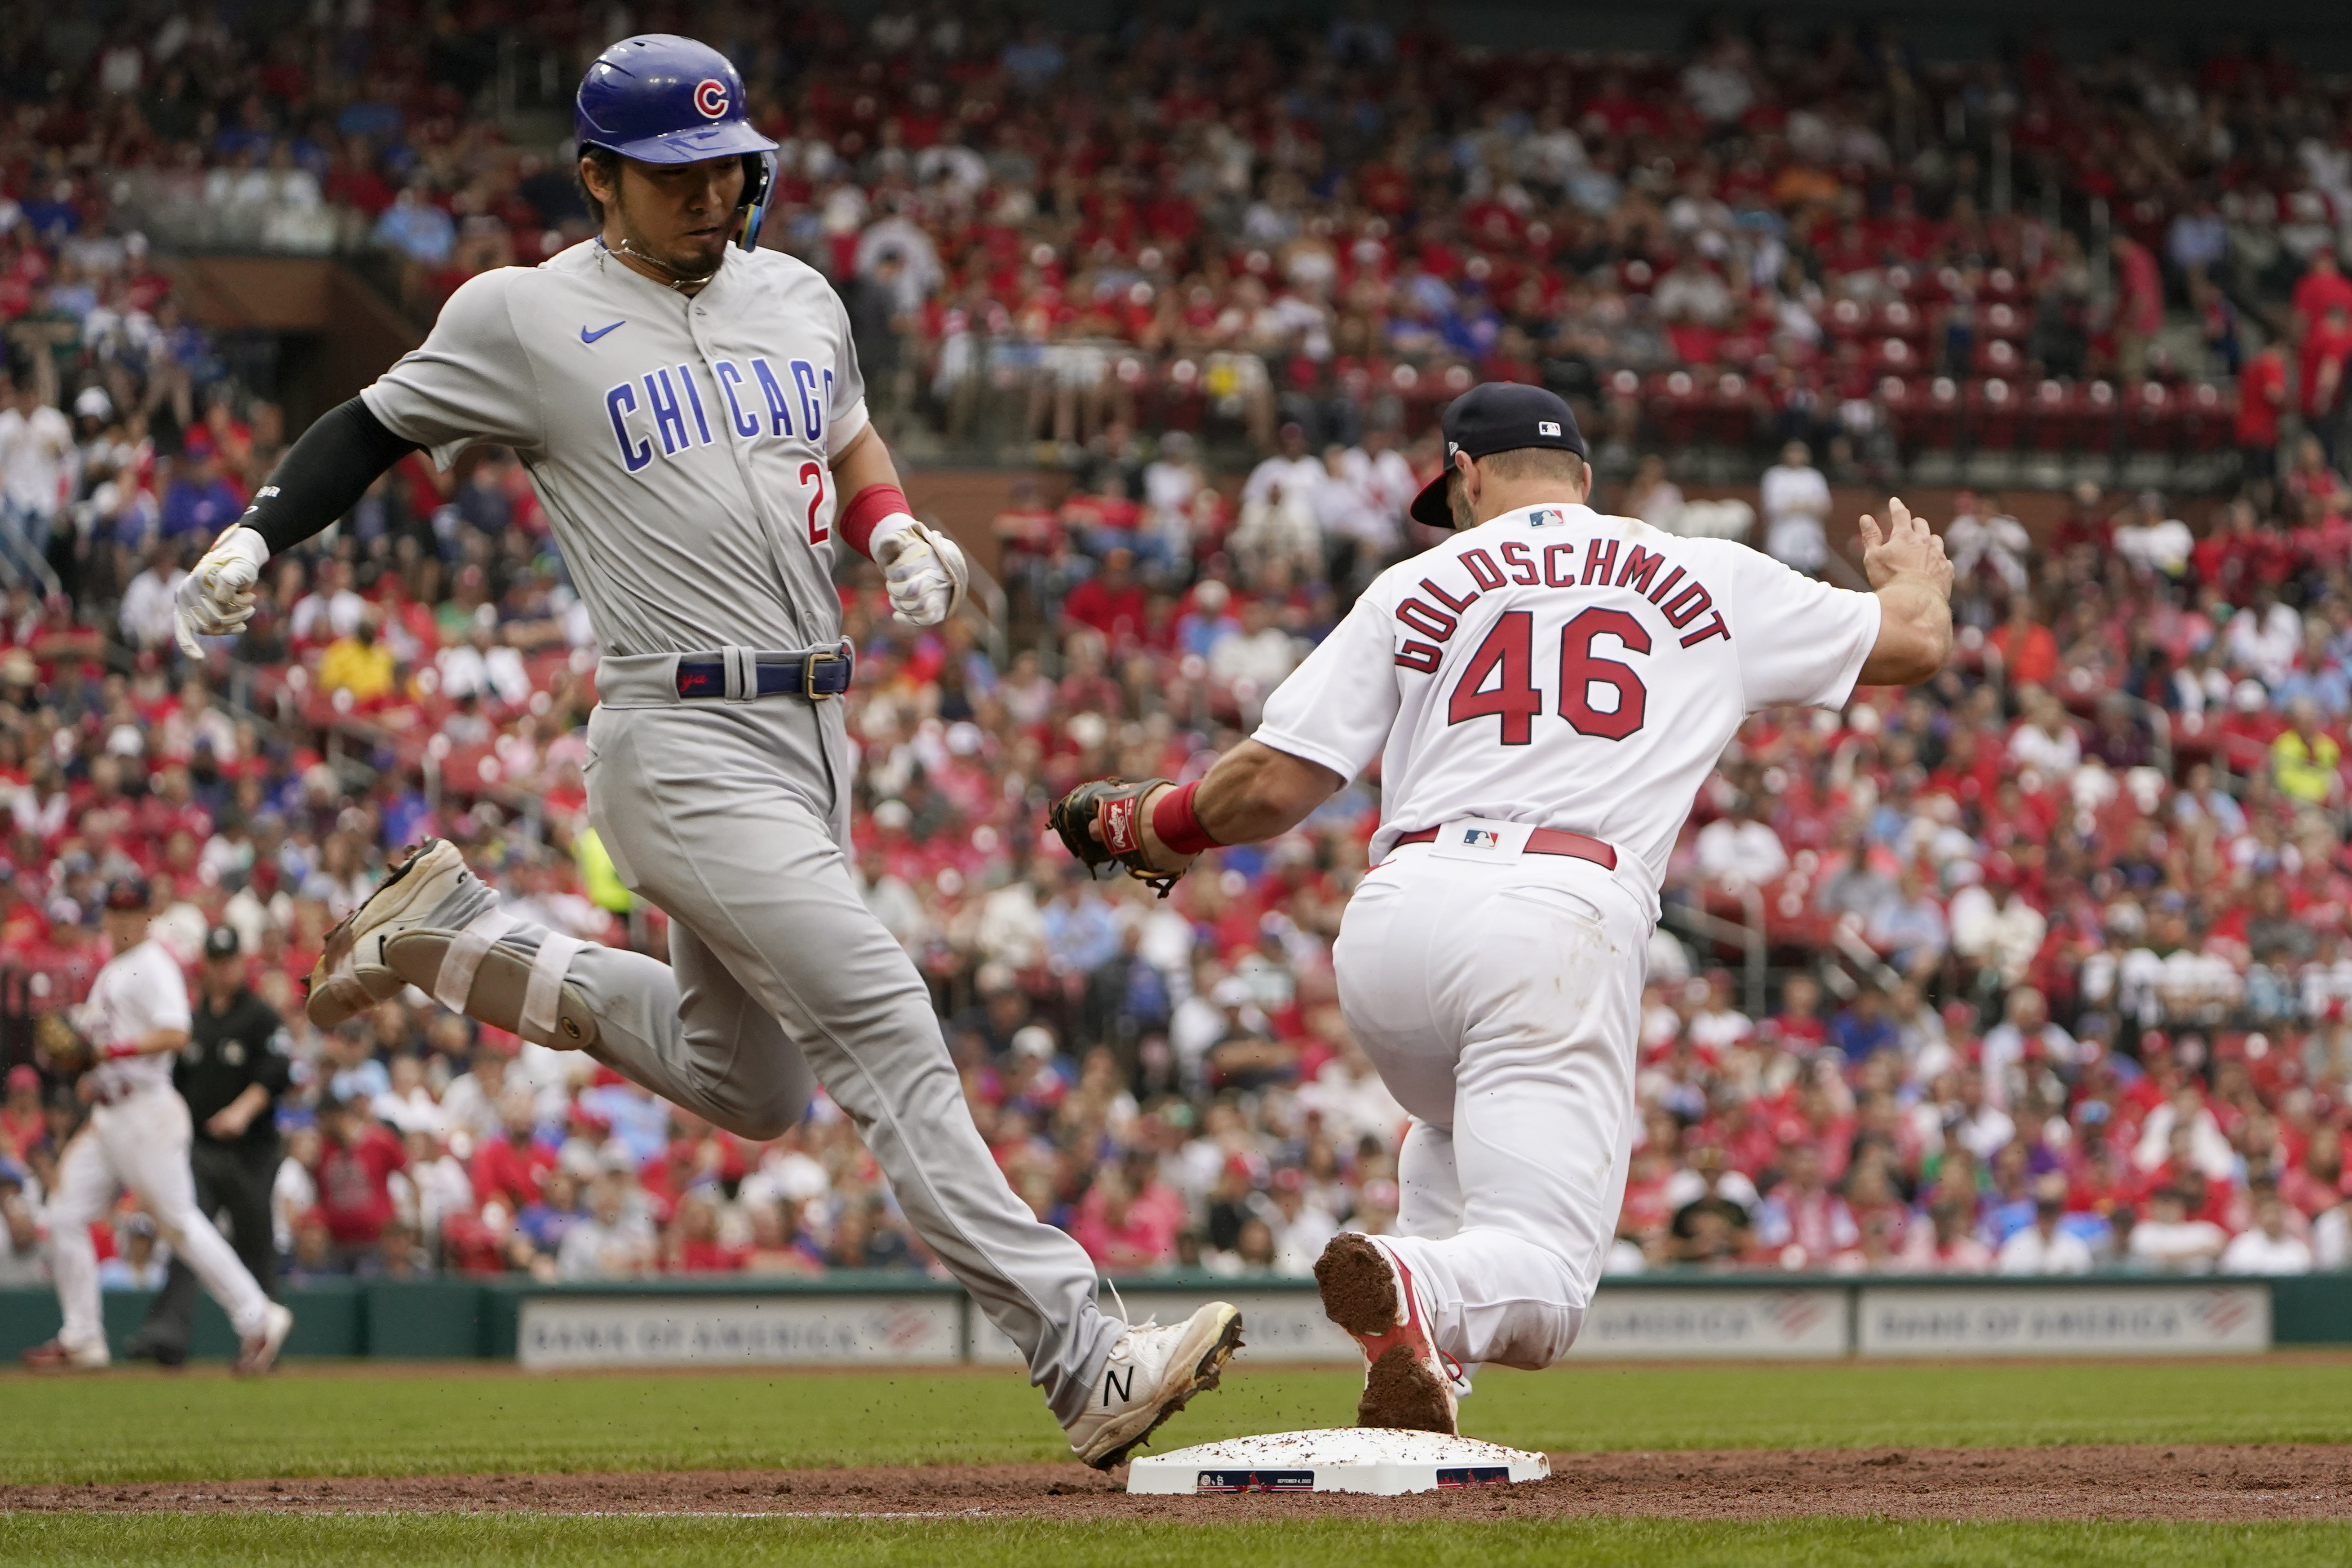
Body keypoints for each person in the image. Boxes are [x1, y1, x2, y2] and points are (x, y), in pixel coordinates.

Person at [169, 33, 1233, 1471]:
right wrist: (252, 533)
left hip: (815, 734)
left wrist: (895, 527)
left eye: (725, 166)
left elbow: (846, 444)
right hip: (676, 730)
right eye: (671, 171)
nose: (706, 192)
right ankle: (1078, 1347)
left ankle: (455, 936)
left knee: (753, 1084)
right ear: (598, 177)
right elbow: (371, 423)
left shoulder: (799, 294)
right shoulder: (523, 314)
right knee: (877, 1012)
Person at [1061, 382, 1951, 1431]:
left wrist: (1148, 825)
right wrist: (1913, 577)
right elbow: (1909, 643)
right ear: (1581, 477)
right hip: (1553, 918)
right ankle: (1420, 1285)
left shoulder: (1417, 581)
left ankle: (1423, 1374)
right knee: (1546, 1277)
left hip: (1393, 924)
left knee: (1448, 1122)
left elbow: (1264, 784)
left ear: (1466, 475)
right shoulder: (1699, 569)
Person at [21, 881, 293, 1372]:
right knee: (63, 1216)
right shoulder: (113, 971)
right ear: (105, 916)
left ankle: (258, 1318)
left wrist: (106, 1054)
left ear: (147, 916)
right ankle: (82, 1336)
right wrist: (92, 1073)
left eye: (132, 910)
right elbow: (97, 1043)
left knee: (180, 1224)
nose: (123, 919)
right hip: (111, 1113)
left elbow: (176, 1032)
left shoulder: (153, 963)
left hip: (147, 1110)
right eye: (115, 910)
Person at [123, 926, 294, 1367]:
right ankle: (167, 1335)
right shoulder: (191, 1021)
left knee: (255, 1242)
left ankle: (261, 1340)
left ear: (241, 962)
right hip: (198, 1149)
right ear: (206, 966)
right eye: (216, 961)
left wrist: (241, 1111)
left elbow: (277, 1073)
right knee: (185, 1234)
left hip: (250, 1150)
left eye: (230, 960)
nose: (223, 969)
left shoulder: (260, 1016)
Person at [1758, 439, 1832, 575]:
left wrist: (1796, 505)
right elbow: (1773, 507)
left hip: (1810, 538)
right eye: (1793, 452)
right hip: (1783, 540)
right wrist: (1807, 506)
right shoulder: (1775, 476)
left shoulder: (1814, 476)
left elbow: (1825, 506)